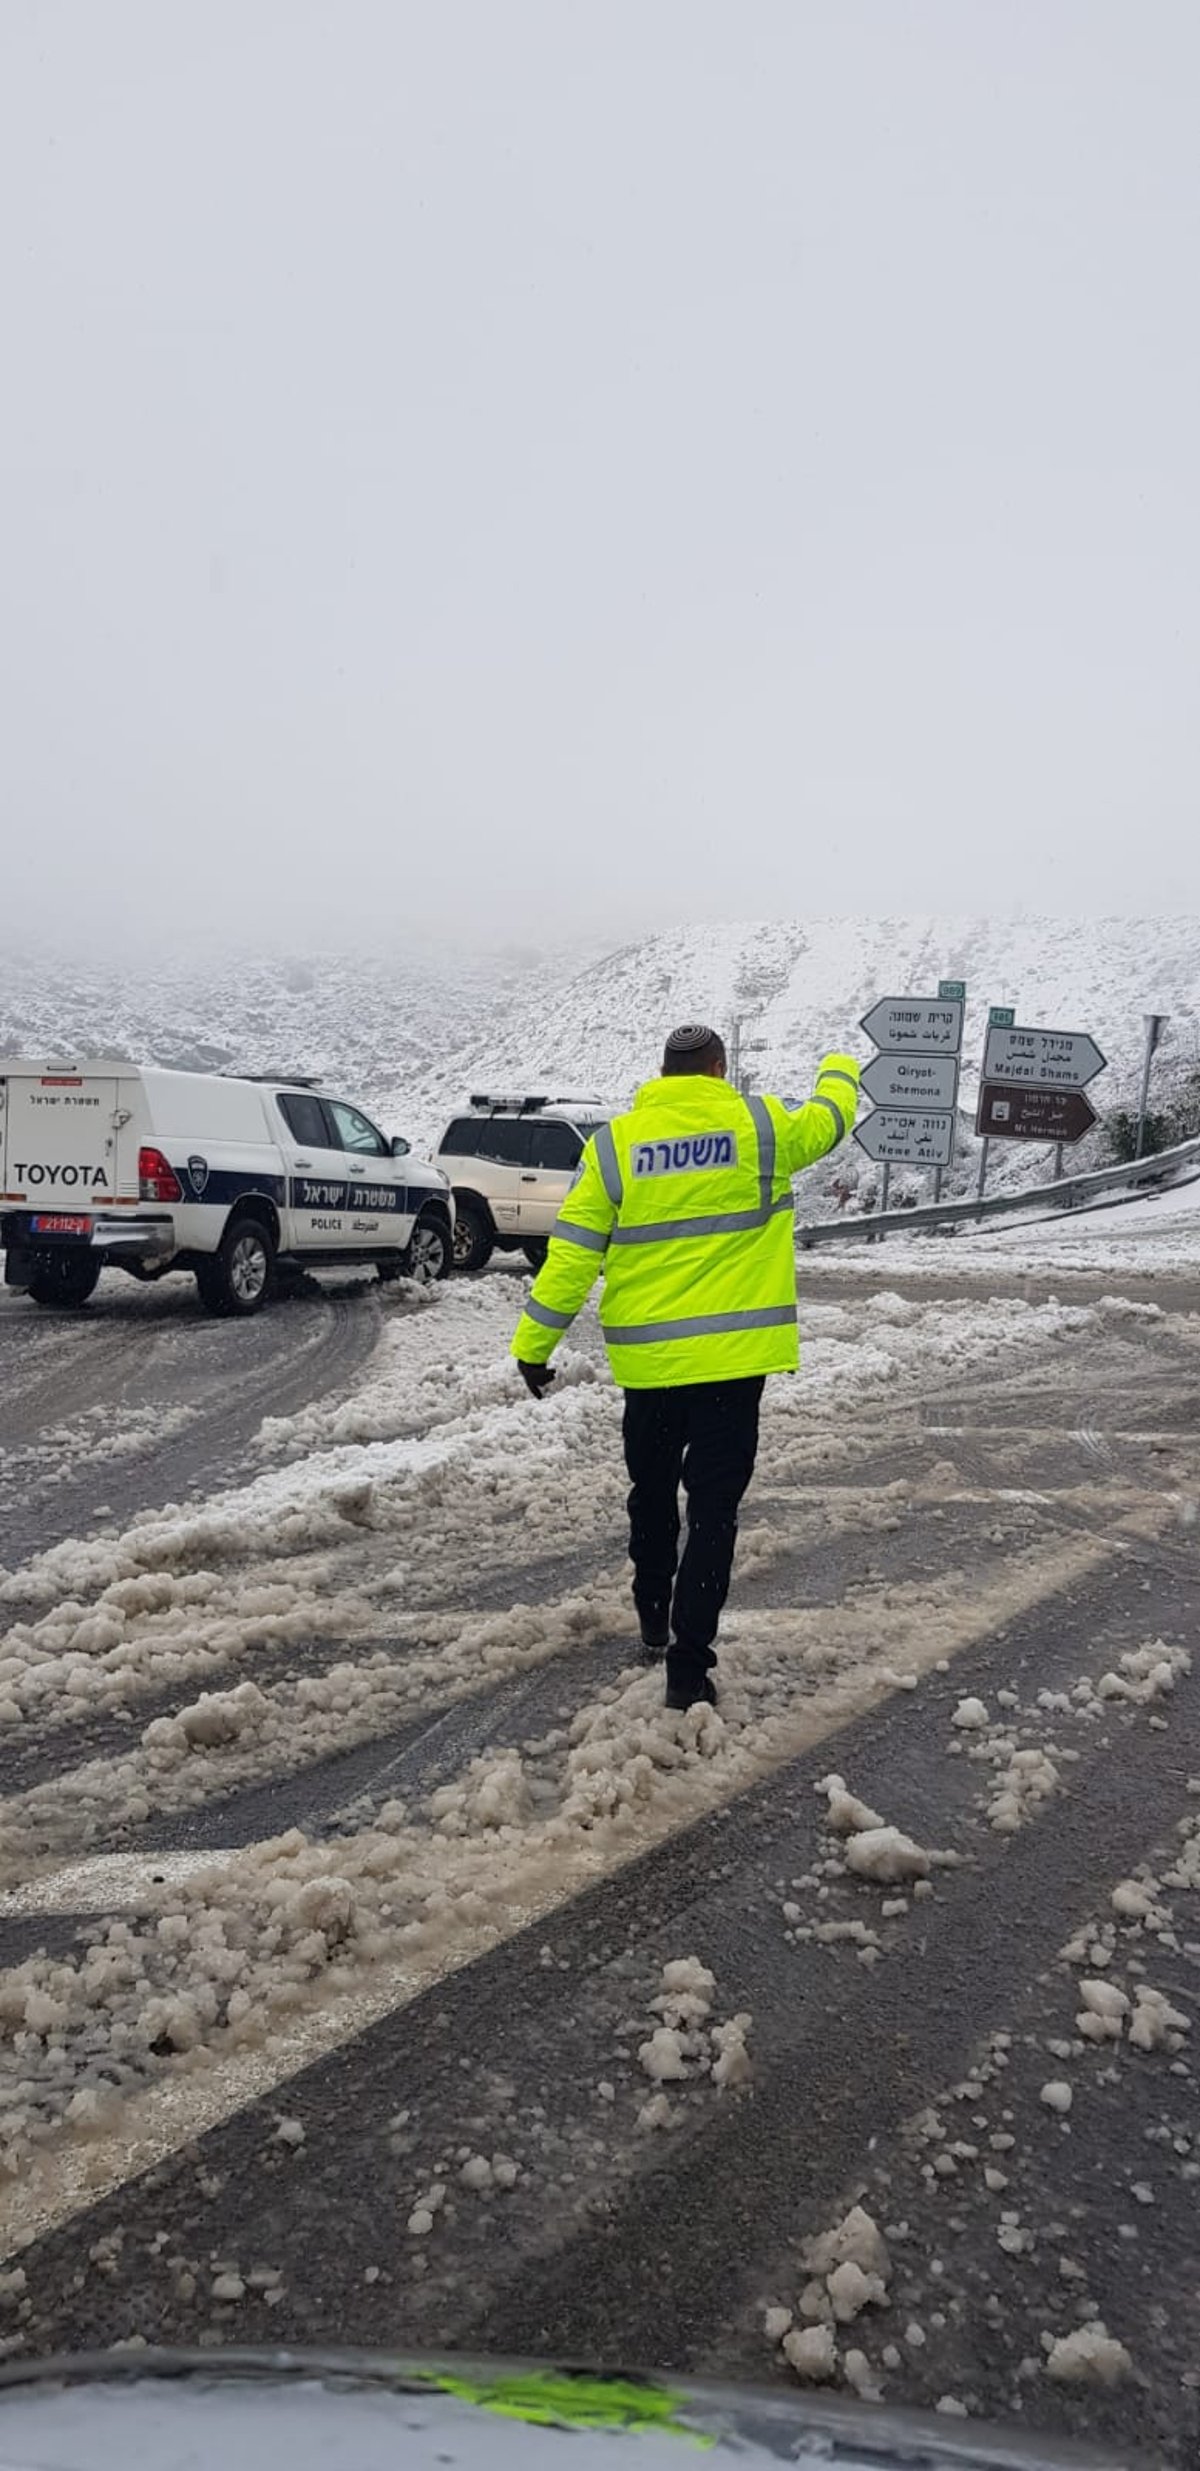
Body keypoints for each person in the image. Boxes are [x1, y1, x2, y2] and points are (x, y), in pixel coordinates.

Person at [510, 1023, 860, 1710]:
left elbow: (574, 1253)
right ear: (719, 1070)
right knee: (713, 1512)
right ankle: (688, 1665)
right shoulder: (761, 1127)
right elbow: (830, 1122)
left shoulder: (615, 1145)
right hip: (733, 1363)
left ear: (662, 1073)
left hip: (650, 1362)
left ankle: (650, 1614)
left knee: (651, 1489)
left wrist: (535, 1343)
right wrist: (840, 1065)